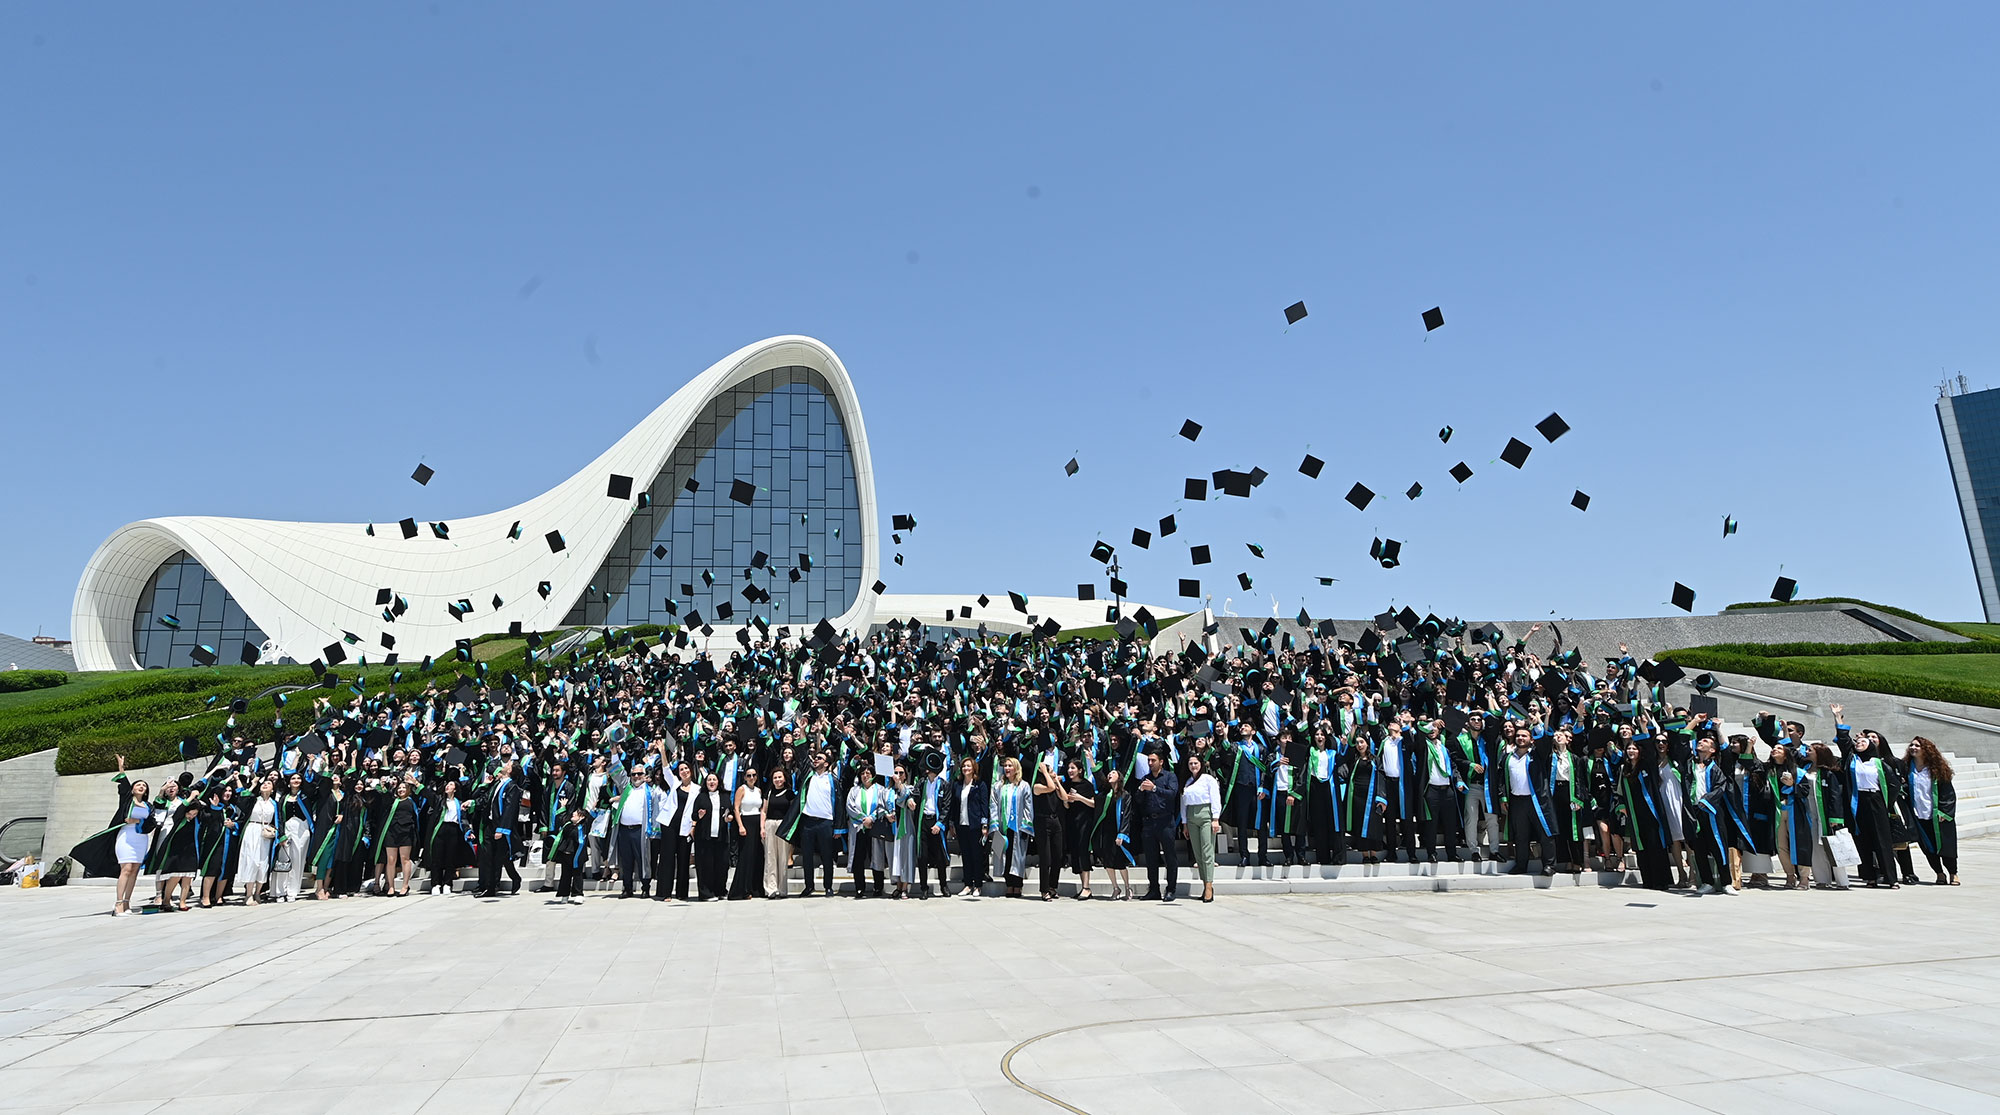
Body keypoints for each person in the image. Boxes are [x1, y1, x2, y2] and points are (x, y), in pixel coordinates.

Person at [68, 755, 157, 917]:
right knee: (126, 869)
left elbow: (152, 823)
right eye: (138, 784)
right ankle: (118, 905)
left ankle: (128, 903)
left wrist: (137, 821)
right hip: (125, 838)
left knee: (135, 870)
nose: (141, 786)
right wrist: (121, 768)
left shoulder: (148, 806)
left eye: (144, 785)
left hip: (141, 839)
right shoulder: (127, 801)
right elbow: (123, 784)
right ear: (132, 789)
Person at [1905, 736, 1959, 885]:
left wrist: (1945, 812)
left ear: (1926, 750)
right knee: (1928, 847)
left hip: (1938, 816)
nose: (1913, 748)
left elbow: (1948, 793)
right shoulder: (1907, 768)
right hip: (1918, 815)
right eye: (1912, 745)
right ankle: (1939, 873)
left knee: (1946, 846)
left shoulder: (1937, 770)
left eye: (1917, 746)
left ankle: (1953, 873)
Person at [788, 748, 839, 897]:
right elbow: (803, 757)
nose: (816, 760)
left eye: (820, 758)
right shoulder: (808, 776)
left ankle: (828, 886)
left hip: (826, 822)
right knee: (807, 856)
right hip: (808, 822)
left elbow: (839, 803)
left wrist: (838, 828)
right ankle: (808, 886)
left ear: (827, 763)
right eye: (815, 758)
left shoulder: (832, 780)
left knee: (827, 856)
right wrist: (803, 732)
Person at [1133, 749, 1180, 902]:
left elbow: (1172, 794)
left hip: (1165, 821)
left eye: (1153, 760)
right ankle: (1153, 889)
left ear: (1161, 762)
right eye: (1149, 761)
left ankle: (1171, 889)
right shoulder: (1145, 778)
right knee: (1151, 858)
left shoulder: (1169, 776)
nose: (1150, 763)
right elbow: (1138, 800)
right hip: (1149, 822)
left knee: (1170, 856)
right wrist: (1141, 789)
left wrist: (1154, 788)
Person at [990, 756, 1034, 898]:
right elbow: (993, 805)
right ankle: (1009, 884)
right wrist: (995, 824)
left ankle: (1017, 885)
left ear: (1016, 768)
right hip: (1002, 826)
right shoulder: (998, 786)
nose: (1007, 768)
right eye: (1005, 766)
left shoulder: (1024, 785)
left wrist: (1026, 825)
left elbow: (1028, 807)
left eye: (1010, 766)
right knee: (1004, 856)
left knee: (1018, 857)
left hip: (1018, 827)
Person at [1180, 752, 1221, 903]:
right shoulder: (1188, 781)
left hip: (1205, 815)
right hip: (1191, 816)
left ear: (1201, 764)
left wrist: (1215, 818)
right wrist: (1184, 823)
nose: (1193, 766)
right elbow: (1183, 803)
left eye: (1195, 763)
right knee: (1198, 853)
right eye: (1191, 764)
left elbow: (1215, 798)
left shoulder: (1208, 779)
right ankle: (1205, 884)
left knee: (1207, 851)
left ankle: (1209, 885)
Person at [847, 763, 892, 898]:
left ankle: (878, 887)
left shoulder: (880, 790)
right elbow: (850, 807)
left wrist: (871, 818)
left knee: (876, 857)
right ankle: (859, 888)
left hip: (874, 827)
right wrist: (863, 819)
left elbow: (882, 807)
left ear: (873, 775)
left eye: (868, 773)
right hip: (858, 828)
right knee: (858, 858)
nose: (865, 776)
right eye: (862, 773)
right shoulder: (854, 790)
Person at [1091, 766, 1135, 899]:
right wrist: (1092, 761)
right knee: (1107, 862)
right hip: (1106, 831)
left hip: (1118, 830)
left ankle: (1127, 887)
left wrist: (1122, 834)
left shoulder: (1125, 795)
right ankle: (1116, 887)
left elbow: (1127, 815)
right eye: (1109, 773)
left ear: (1119, 777)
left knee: (1119, 862)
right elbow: (1098, 776)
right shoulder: (1105, 793)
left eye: (1113, 773)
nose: (1110, 774)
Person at [236, 776, 279, 905]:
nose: (265, 785)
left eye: (269, 783)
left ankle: (257, 892)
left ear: (272, 789)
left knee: (263, 862)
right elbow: (241, 801)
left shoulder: (274, 803)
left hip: (266, 833)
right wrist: (253, 785)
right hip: (252, 830)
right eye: (264, 783)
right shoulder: (253, 800)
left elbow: (278, 820)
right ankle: (248, 894)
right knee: (251, 860)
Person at [426, 778, 474, 895]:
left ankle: (447, 883)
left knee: (450, 858)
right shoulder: (439, 800)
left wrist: (468, 831)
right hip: (440, 829)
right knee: (437, 858)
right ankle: (436, 884)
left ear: (455, 789)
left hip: (453, 830)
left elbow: (463, 819)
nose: (448, 786)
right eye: (447, 784)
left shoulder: (459, 803)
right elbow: (428, 794)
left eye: (451, 784)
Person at [951, 756, 989, 897]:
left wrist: (985, 824)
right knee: (966, 855)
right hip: (961, 824)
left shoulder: (980, 784)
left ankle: (978, 885)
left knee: (976, 855)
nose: (965, 768)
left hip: (975, 825)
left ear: (974, 768)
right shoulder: (958, 784)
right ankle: (967, 884)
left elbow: (984, 805)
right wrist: (952, 823)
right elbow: (954, 806)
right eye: (963, 766)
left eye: (968, 766)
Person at [691, 770, 731, 900]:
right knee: (705, 866)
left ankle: (720, 891)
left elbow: (729, 812)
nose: (711, 782)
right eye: (709, 780)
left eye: (714, 780)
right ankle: (706, 893)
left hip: (721, 836)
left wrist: (729, 818)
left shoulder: (724, 796)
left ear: (718, 782)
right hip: (704, 837)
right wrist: (699, 816)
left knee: (722, 865)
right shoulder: (701, 796)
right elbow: (694, 815)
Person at [375, 779, 419, 898]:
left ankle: (405, 885)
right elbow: (385, 798)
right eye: (399, 788)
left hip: (406, 832)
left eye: (404, 788)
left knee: (405, 859)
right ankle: (391, 886)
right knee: (391, 860)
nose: (401, 790)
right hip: (391, 832)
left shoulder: (411, 801)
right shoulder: (393, 801)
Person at [729, 766, 766, 899]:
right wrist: (740, 825)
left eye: (754, 775)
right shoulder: (742, 789)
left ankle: (755, 888)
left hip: (757, 823)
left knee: (757, 856)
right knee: (746, 856)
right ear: (745, 777)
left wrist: (762, 827)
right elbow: (736, 808)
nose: (751, 778)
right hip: (746, 822)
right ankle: (741, 889)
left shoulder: (759, 790)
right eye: (749, 775)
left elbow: (762, 809)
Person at [762, 766, 795, 898]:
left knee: (782, 857)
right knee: (770, 857)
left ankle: (782, 889)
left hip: (783, 826)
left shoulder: (789, 793)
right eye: (775, 777)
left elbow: (792, 813)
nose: (777, 780)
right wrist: (762, 828)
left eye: (779, 777)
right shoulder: (769, 793)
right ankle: (770, 888)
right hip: (770, 824)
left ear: (784, 778)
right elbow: (763, 811)